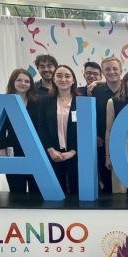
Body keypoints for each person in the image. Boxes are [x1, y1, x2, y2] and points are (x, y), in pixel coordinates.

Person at [38, 65, 79, 195]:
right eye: (59, 76)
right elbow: (41, 127)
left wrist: (73, 151)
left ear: (73, 80)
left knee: (76, 193)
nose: (63, 79)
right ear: (54, 79)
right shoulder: (44, 101)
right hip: (53, 154)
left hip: (76, 155)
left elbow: (86, 131)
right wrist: (50, 149)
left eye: (67, 76)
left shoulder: (81, 101)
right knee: (56, 193)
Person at [0, 68, 40, 194]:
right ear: (13, 82)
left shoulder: (37, 102)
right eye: (19, 80)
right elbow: (0, 130)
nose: (23, 83)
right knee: (17, 191)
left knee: (36, 191)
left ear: (31, 84)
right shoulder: (4, 101)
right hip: (13, 150)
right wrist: (2, 151)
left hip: (35, 150)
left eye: (27, 81)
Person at [92, 56, 123, 194]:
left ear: (121, 70)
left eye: (115, 68)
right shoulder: (95, 91)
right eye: (107, 69)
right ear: (103, 72)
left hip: (125, 143)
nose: (112, 72)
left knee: (124, 183)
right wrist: (96, 136)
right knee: (106, 181)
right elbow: (92, 116)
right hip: (102, 144)